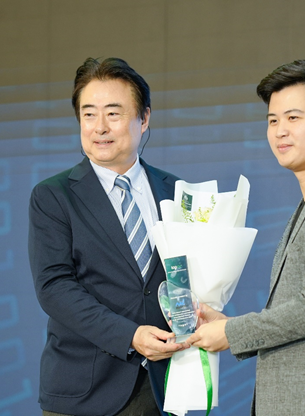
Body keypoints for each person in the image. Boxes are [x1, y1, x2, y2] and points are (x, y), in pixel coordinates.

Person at [186, 59, 305, 415]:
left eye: (293, 118)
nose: (280, 131)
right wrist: (228, 325)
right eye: (273, 121)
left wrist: (232, 333)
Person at [28, 57, 186, 416]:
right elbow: (54, 287)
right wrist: (130, 336)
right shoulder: (54, 196)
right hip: (85, 391)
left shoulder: (176, 191)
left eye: (113, 113)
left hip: (164, 387)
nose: (99, 127)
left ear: (144, 118)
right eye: (88, 114)